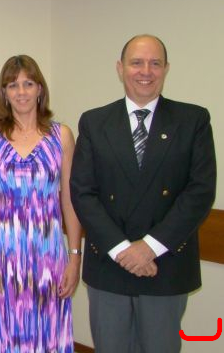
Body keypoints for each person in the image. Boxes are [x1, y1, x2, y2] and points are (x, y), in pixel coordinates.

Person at [70, 34, 217, 353]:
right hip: (109, 263)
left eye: (155, 63)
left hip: (166, 264)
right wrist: (123, 250)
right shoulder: (94, 122)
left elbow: (200, 191)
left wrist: (149, 247)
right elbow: (82, 192)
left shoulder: (193, 120)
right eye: (136, 63)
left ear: (166, 69)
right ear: (120, 68)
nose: (146, 71)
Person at [0, 55, 82, 352]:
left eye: (28, 84)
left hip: (47, 256)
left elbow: (70, 200)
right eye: (13, 85)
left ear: (40, 89)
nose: (21, 92)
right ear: (3, 92)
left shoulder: (62, 136)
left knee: (47, 334)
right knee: (0, 335)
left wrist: (74, 258)